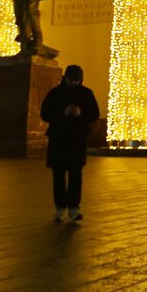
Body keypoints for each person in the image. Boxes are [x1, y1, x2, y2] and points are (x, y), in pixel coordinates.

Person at [40, 65, 99, 222]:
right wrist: (63, 112)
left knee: (75, 175)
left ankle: (73, 209)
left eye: (77, 80)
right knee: (58, 175)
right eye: (71, 79)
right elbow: (44, 113)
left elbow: (94, 114)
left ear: (81, 79)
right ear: (65, 78)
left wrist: (81, 114)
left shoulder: (86, 93)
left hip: (76, 139)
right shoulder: (55, 93)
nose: (74, 83)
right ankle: (60, 208)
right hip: (59, 138)